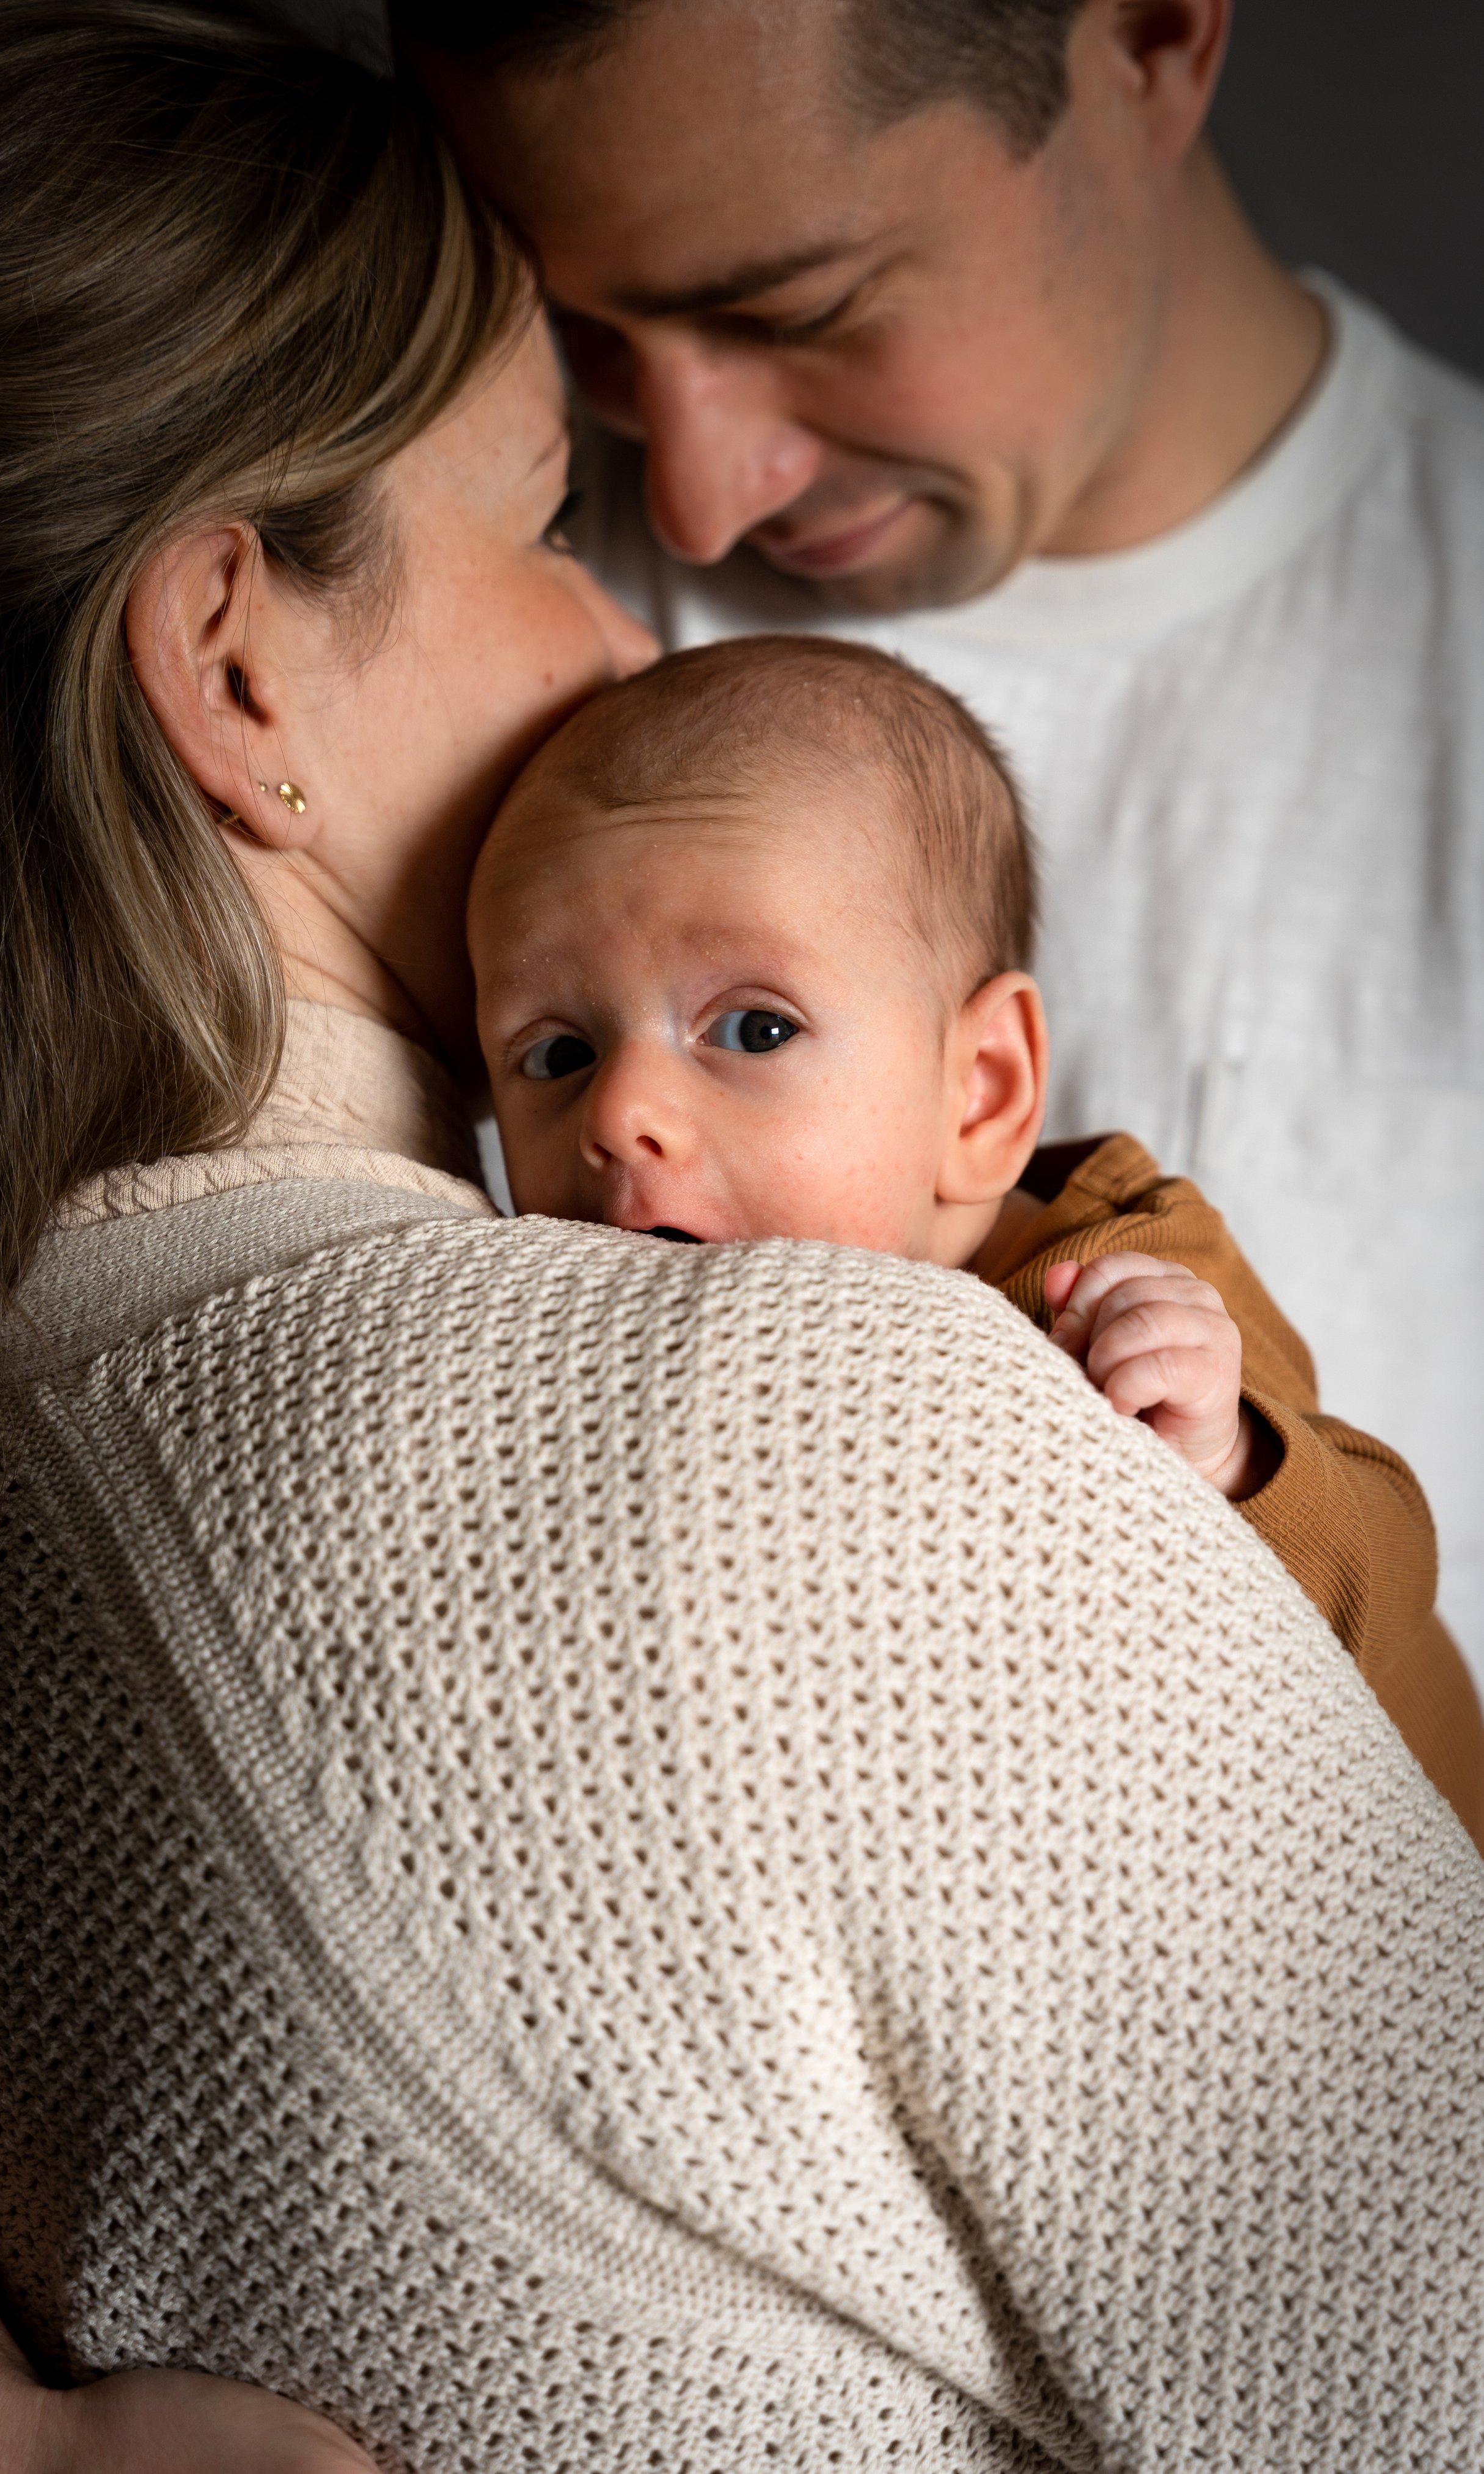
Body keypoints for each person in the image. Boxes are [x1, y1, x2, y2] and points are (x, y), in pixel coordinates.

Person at [0, 9, 1484, 2474]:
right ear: (232, 664)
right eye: (566, 472)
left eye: (800, 302)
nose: (685, 535)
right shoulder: (783, 1416)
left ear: (1167, 40)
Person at [401, 0, 1484, 1686]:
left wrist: (1238, 1451)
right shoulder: (495, 619)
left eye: (800, 308)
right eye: (587, 340)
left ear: (1147, 37)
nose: (687, 498)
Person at [470, 631, 1481, 1837]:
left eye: (750, 1029)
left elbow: (1385, 1564)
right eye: (556, 1052)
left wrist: (1224, 1459)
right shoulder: (615, 1328)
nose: (618, 1112)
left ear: (981, 1092)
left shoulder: (1108, 1286)